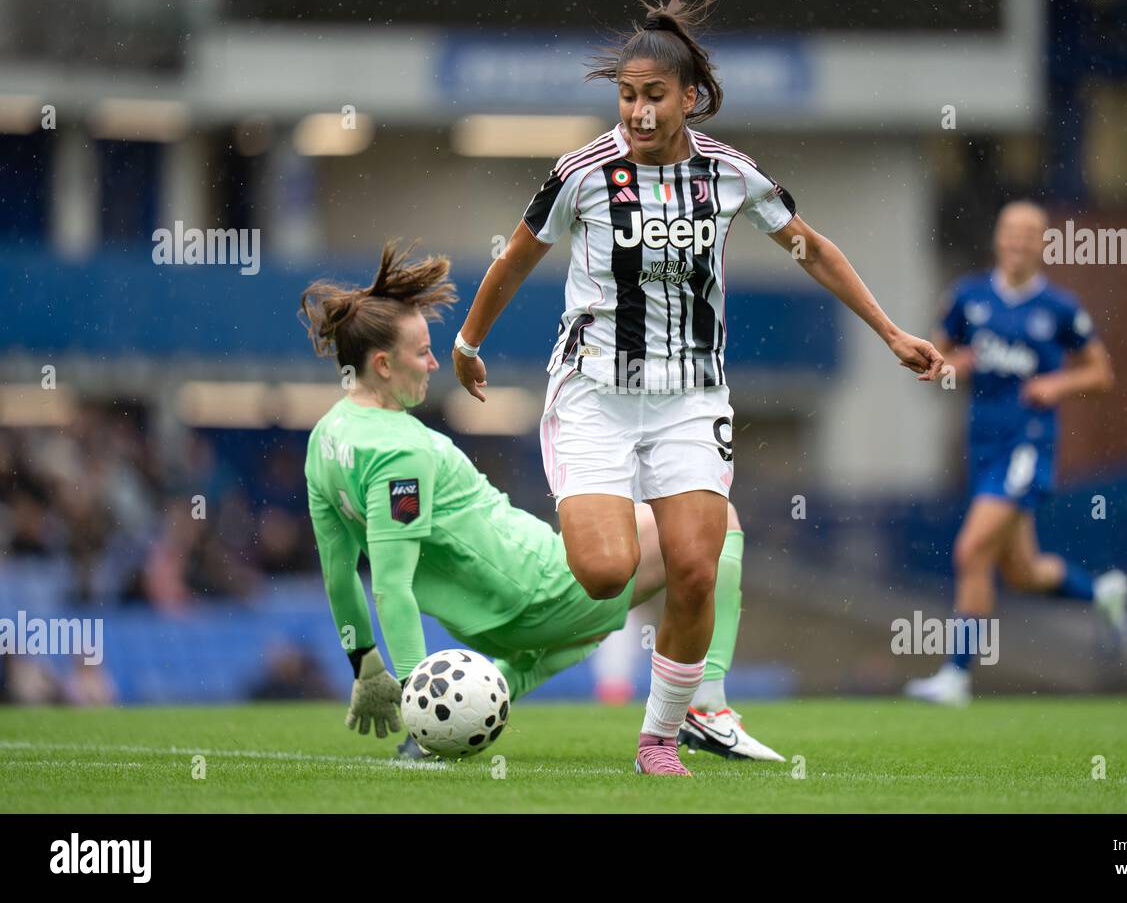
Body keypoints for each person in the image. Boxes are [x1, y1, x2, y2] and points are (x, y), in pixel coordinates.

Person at [450, 0, 943, 774]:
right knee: (607, 570)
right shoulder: (581, 173)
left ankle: (661, 736)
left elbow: (810, 247)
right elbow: (516, 256)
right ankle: (641, 525)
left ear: (691, 98)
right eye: (626, 97)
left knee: (693, 568)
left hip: (689, 399)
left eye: (654, 97)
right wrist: (471, 339)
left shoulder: (729, 174)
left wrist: (890, 331)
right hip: (594, 397)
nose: (638, 113)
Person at [300, 241, 783, 762]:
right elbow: (391, 587)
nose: (435, 363)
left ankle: (455, 722)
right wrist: (420, 696)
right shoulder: (403, 450)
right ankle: (704, 705)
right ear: (382, 364)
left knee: (585, 633)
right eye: (421, 353)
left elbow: (340, 571)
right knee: (720, 518)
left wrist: (364, 660)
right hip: (543, 587)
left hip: (491, 625)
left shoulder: (322, 444)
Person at [904, 201, 1127, 706]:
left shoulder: (1060, 308)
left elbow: (1101, 373)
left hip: (1028, 447)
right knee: (1022, 572)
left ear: (1043, 244)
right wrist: (947, 369)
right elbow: (947, 357)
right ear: (998, 239)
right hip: (983, 445)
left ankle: (956, 675)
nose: (1018, 242)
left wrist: (1058, 383)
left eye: (1029, 235)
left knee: (970, 550)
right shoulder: (969, 297)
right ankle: (1102, 593)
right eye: (1011, 233)